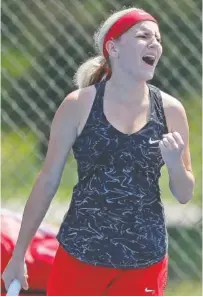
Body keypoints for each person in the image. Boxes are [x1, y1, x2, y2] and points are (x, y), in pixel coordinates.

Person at [2, 7, 195, 296]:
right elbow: (47, 181)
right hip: (81, 253)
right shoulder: (78, 105)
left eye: (157, 38)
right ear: (113, 47)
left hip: (145, 258)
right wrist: (19, 256)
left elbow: (184, 194)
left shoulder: (171, 110)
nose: (155, 43)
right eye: (143, 36)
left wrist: (175, 164)